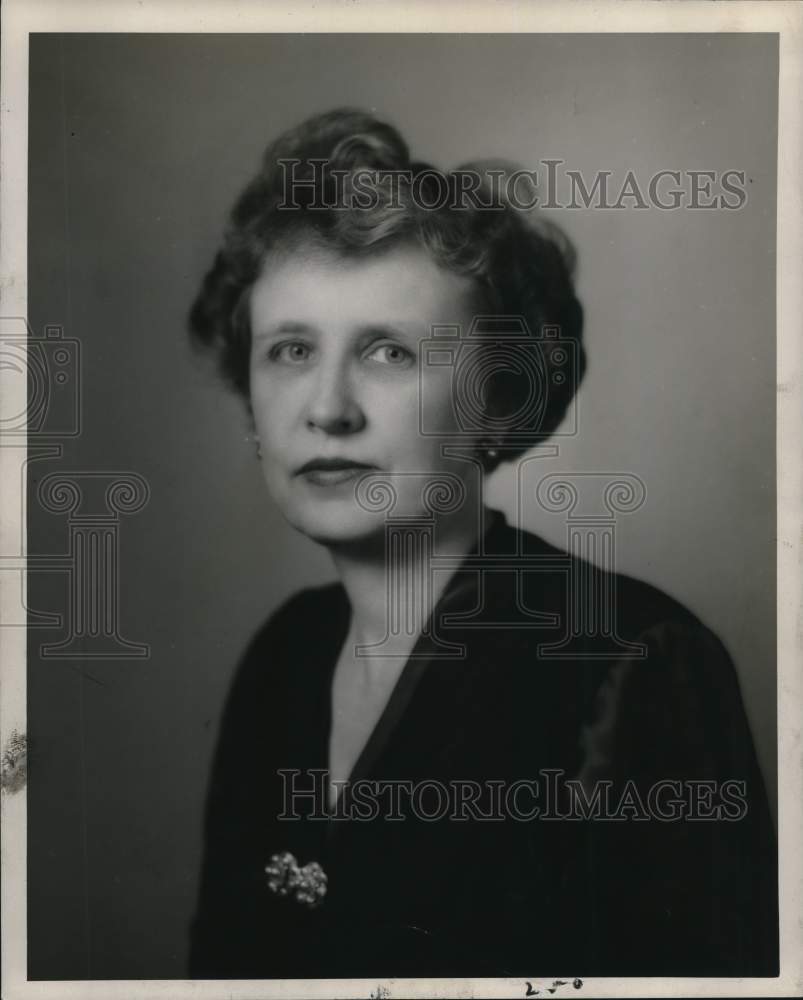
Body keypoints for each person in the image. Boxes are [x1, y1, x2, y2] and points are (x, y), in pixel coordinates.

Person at [186, 108, 777, 979]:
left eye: (388, 352)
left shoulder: (631, 665)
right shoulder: (283, 657)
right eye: (290, 350)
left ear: (496, 401)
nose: (326, 406)